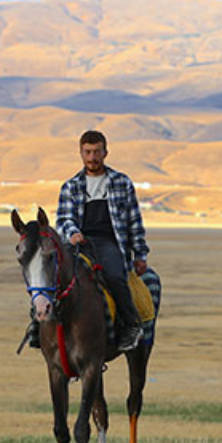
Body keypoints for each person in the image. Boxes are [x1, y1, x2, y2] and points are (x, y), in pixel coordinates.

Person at [55, 130, 149, 351]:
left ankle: (130, 325)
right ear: (80, 153)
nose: (92, 157)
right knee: (51, 278)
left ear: (106, 152)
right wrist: (72, 233)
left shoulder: (121, 182)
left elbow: (134, 221)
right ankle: (37, 328)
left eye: (97, 152)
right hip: (79, 244)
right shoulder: (70, 186)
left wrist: (140, 254)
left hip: (109, 243)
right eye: (87, 152)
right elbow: (63, 219)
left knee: (116, 277)